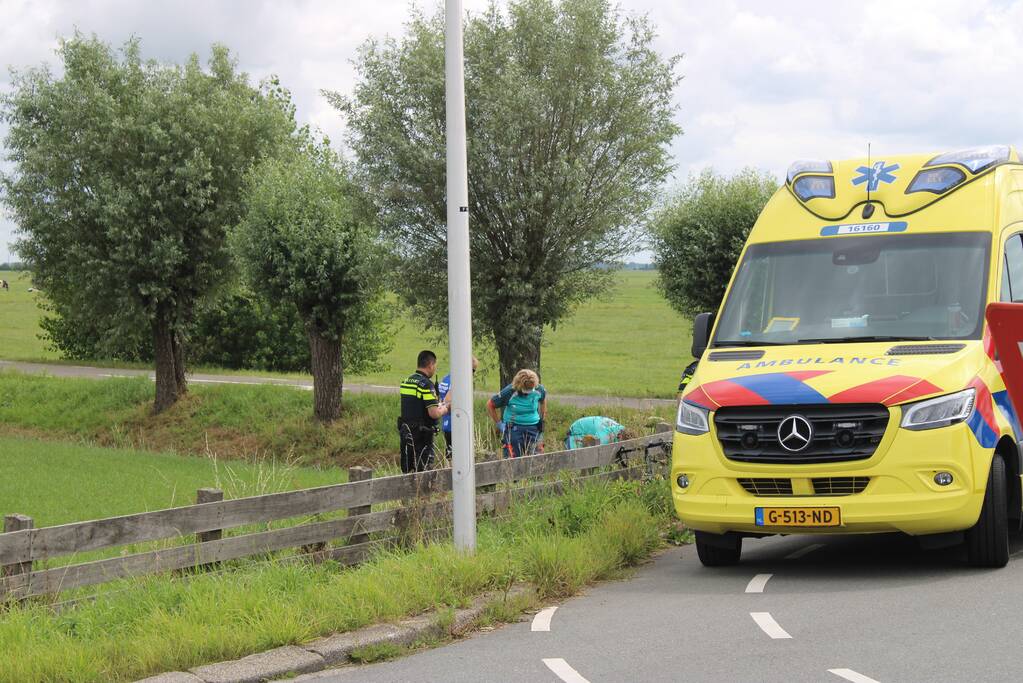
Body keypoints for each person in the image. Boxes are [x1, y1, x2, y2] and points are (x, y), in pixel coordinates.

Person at [398, 350, 449, 473]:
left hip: (406, 433)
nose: (434, 369)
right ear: (430, 365)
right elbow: (434, 413)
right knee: (424, 472)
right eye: (435, 366)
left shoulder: (406, 382)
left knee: (408, 470)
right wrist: (446, 408)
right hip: (422, 437)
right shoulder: (426, 385)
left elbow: (414, 405)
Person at [487, 369, 546, 458]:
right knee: (513, 458)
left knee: (537, 458)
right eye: (526, 389)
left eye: (531, 389)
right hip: (513, 429)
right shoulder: (509, 392)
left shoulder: (539, 389)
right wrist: (499, 424)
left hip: (534, 428)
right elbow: (490, 405)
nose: (528, 392)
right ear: (519, 385)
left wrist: (543, 418)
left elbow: (543, 400)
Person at [438, 355, 479, 459]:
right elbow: (448, 401)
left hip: (447, 422)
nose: (473, 374)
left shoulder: (446, 378)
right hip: (456, 423)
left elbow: (440, 399)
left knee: (450, 454)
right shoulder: (458, 380)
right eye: (472, 370)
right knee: (459, 457)